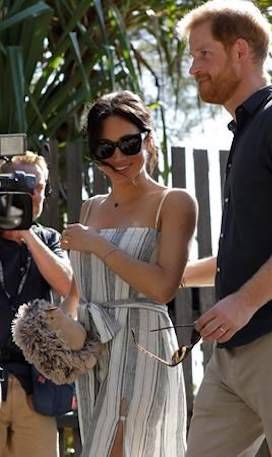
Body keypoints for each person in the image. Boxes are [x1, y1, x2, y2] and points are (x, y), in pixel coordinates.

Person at [177, 1, 272, 456]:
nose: (193, 68)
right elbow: (250, 251)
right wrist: (171, 278)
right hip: (231, 357)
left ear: (239, 51)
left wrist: (243, 303)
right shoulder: (245, 132)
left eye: (203, 54)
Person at [60, 90, 197, 457]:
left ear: (148, 140)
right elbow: (80, 286)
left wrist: (96, 245)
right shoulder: (91, 208)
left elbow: (163, 286)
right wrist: (61, 326)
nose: (118, 157)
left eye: (128, 143)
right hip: (93, 347)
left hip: (142, 342)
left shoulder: (174, 202)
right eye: (106, 149)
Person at [0, 152, 72, 457]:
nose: (30, 194)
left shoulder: (48, 238)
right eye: (20, 184)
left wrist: (27, 231)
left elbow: (67, 285)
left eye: (37, 186)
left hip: (35, 384)